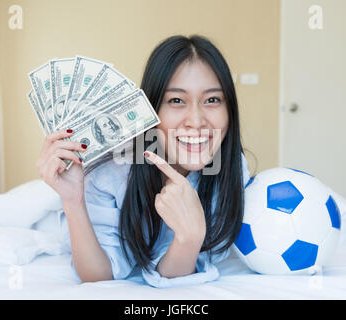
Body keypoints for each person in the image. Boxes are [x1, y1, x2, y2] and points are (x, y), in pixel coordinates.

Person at [36, 35, 251, 288]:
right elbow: (98, 275)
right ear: (149, 110)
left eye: (212, 100)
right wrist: (73, 201)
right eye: (176, 101)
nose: (196, 120)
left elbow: (178, 269)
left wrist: (189, 238)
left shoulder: (232, 169)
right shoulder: (111, 171)